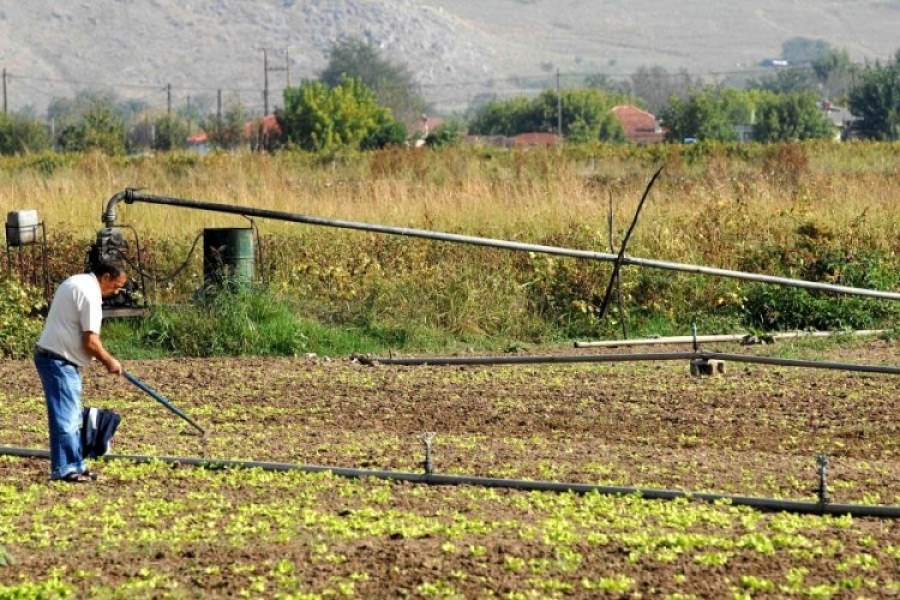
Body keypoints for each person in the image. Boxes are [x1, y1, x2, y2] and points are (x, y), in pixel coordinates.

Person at [34, 259, 128, 483]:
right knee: (66, 418)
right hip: (58, 360)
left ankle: (76, 464)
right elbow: (90, 342)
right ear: (105, 277)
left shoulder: (77, 281)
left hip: (60, 359)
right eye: (116, 285)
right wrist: (109, 361)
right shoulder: (90, 295)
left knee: (73, 416)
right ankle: (65, 469)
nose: (116, 292)